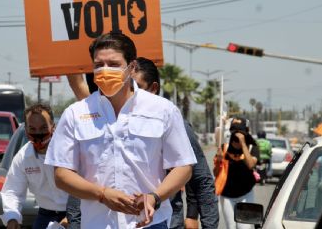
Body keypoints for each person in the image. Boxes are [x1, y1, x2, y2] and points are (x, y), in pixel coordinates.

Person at [45, 32, 196, 229]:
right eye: (99, 65)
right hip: (97, 224)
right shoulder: (75, 113)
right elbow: (62, 175)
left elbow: (183, 166)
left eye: (113, 64)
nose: (105, 71)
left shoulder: (163, 110)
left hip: (150, 224)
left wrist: (155, 197)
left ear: (131, 67)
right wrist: (101, 194)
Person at [67, 57, 218, 228]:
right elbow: (82, 178)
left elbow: (200, 180)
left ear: (153, 89)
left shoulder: (171, 122)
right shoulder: (99, 122)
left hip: (161, 222)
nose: (123, 93)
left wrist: (197, 218)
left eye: (133, 87)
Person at [0, 103, 69, 229]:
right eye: (32, 129)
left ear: (53, 127)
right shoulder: (23, 157)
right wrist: (12, 217)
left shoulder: (69, 151)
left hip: (74, 213)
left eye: (43, 128)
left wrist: (72, 217)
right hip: (45, 215)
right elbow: (12, 190)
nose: (38, 134)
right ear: (26, 130)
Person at [214, 117, 260, 229]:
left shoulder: (251, 146)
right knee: (231, 226)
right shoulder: (224, 148)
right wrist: (219, 161)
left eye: (240, 132)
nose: (237, 137)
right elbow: (216, 174)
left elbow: (251, 164)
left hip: (246, 194)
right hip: (227, 195)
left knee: (245, 227)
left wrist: (243, 144)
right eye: (235, 133)